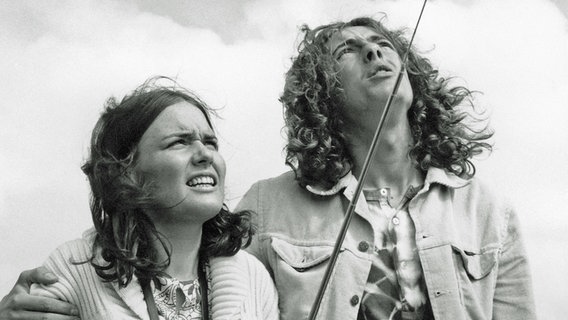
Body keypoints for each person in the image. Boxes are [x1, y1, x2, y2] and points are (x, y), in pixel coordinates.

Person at [1, 16, 536, 320]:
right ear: (321, 92)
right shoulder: (264, 208)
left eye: (383, 44)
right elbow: (174, 255)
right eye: (350, 50)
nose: (375, 52)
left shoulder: (487, 210)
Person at [0, 77, 279, 320]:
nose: (205, 154)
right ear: (125, 171)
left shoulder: (253, 279)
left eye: (210, 142)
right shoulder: (76, 268)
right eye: (179, 142)